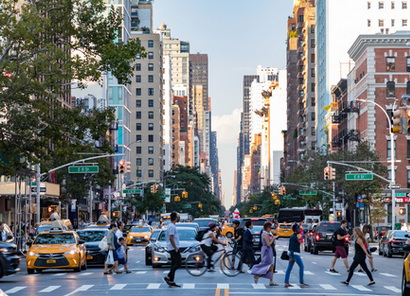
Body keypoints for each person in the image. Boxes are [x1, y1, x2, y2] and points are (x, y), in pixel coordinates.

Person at [251, 222, 278, 286]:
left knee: (271, 265)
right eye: (270, 227)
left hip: (268, 250)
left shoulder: (267, 233)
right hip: (266, 250)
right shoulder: (265, 234)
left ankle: (271, 281)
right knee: (267, 265)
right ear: (267, 227)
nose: (270, 229)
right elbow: (268, 243)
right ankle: (257, 274)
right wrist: (273, 239)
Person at [163, 212, 181, 287]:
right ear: (176, 218)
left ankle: (171, 281)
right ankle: (168, 277)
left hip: (172, 247)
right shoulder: (172, 227)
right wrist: (175, 247)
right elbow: (171, 237)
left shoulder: (172, 226)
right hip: (173, 248)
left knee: (174, 264)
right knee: (178, 263)